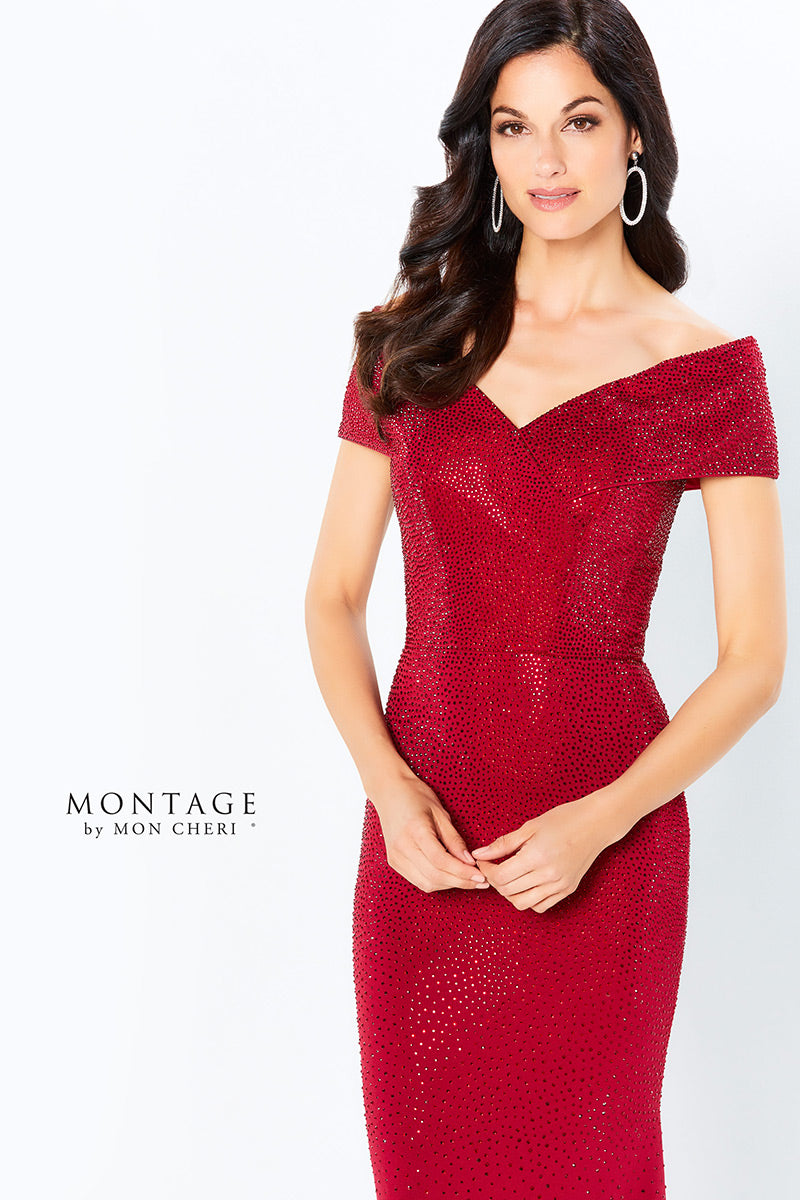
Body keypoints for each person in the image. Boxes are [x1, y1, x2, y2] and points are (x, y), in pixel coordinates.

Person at [304, 1, 786, 1195]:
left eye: (578, 120)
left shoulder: (703, 370)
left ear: (633, 135)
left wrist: (599, 820)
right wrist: (387, 788)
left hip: (606, 839)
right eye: (513, 127)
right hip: (425, 839)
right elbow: (332, 597)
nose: (546, 160)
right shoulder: (407, 341)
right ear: (485, 144)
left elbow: (752, 658)